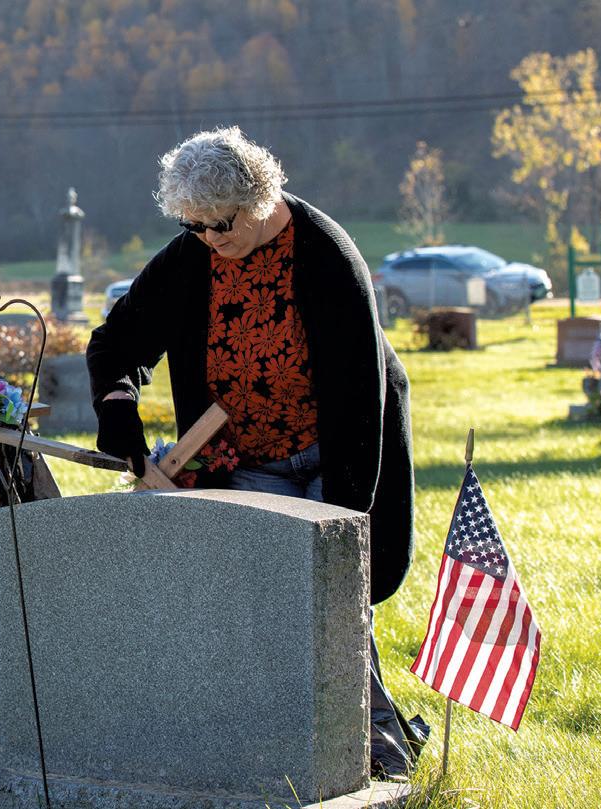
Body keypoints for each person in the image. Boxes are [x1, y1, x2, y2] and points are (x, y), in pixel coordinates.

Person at [86, 126, 426, 777]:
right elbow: (117, 342)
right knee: (263, 601)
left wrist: (347, 521)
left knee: (333, 600)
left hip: (337, 448)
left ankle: (379, 745)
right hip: (247, 457)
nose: (210, 239)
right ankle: (283, 745)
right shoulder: (192, 256)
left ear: (260, 199)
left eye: (221, 224)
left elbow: (361, 396)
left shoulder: (327, 256)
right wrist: (119, 412)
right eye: (194, 226)